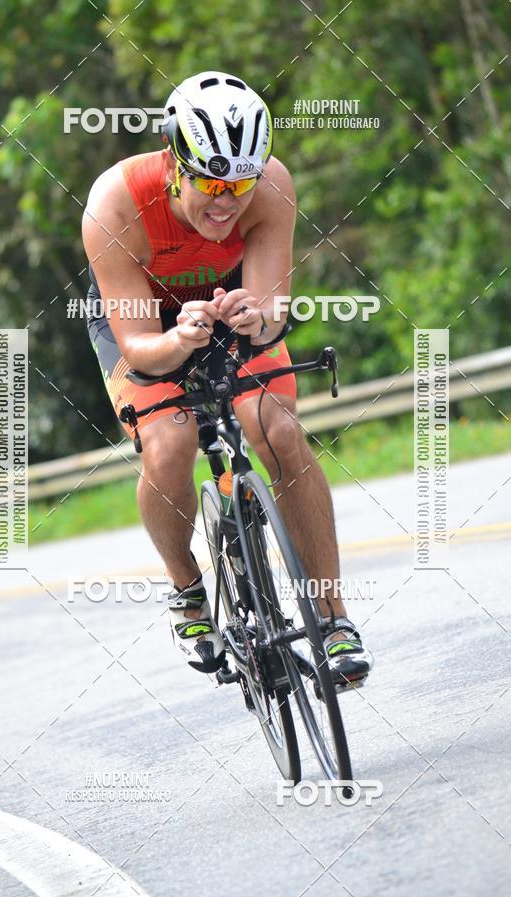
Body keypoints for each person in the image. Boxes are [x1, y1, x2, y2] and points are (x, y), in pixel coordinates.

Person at [82, 71, 372, 685]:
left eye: (240, 183)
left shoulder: (272, 186)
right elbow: (139, 348)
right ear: (173, 163)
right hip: (143, 319)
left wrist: (258, 318)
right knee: (170, 441)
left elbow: (271, 314)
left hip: (228, 298)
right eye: (212, 183)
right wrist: (179, 340)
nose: (227, 202)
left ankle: (332, 619)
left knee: (278, 430)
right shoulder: (115, 204)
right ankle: (187, 589)